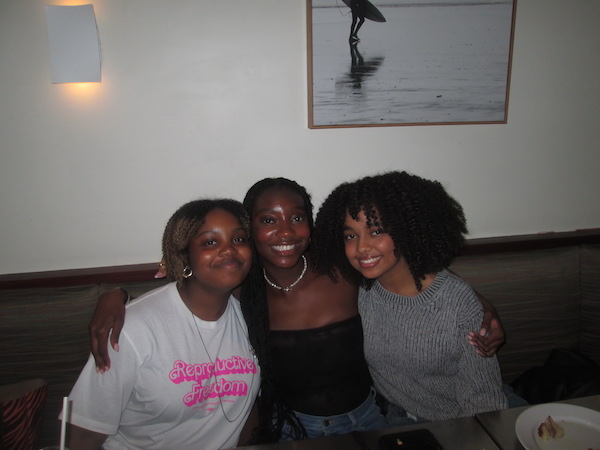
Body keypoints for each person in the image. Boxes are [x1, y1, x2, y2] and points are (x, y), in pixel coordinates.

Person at [88, 178, 505, 442]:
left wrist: (476, 306)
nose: (285, 231)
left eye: (297, 217)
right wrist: (117, 295)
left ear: (312, 224)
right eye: (269, 220)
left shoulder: (343, 271)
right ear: (249, 229)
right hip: (290, 429)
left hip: (372, 420)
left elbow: (409, 278)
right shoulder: (240, 288)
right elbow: (188, 289)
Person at [313, 171, 509, 425]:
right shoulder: (358, 288)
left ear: (408, 229)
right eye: (351, 235)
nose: (361, 247)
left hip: (462, 421)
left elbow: (484, 398)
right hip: (397, 417)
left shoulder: (457, 302)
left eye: (376, 231)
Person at [63, 199, 260, 450]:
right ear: (184, 255)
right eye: (210, 242)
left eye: (239, 239)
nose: (229, 250)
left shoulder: (252, 314)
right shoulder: (130, 329)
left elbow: (251, 411)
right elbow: (83, 435)